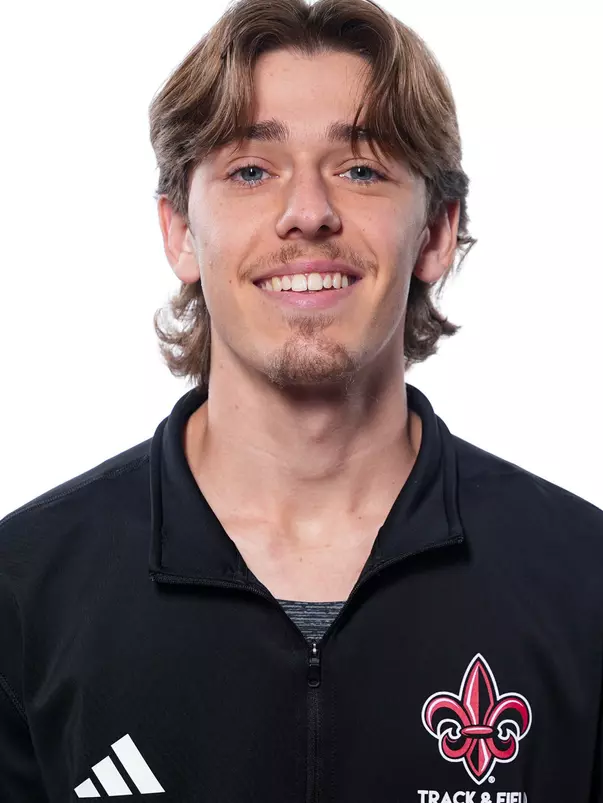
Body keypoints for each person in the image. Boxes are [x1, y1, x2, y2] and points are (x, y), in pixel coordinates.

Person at [1, 0, 602, 800]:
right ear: (179, 231)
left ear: (434, 232)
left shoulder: (583, 580)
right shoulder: (24, 591)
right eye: (252, 170)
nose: (308, 212)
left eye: (361, 169)